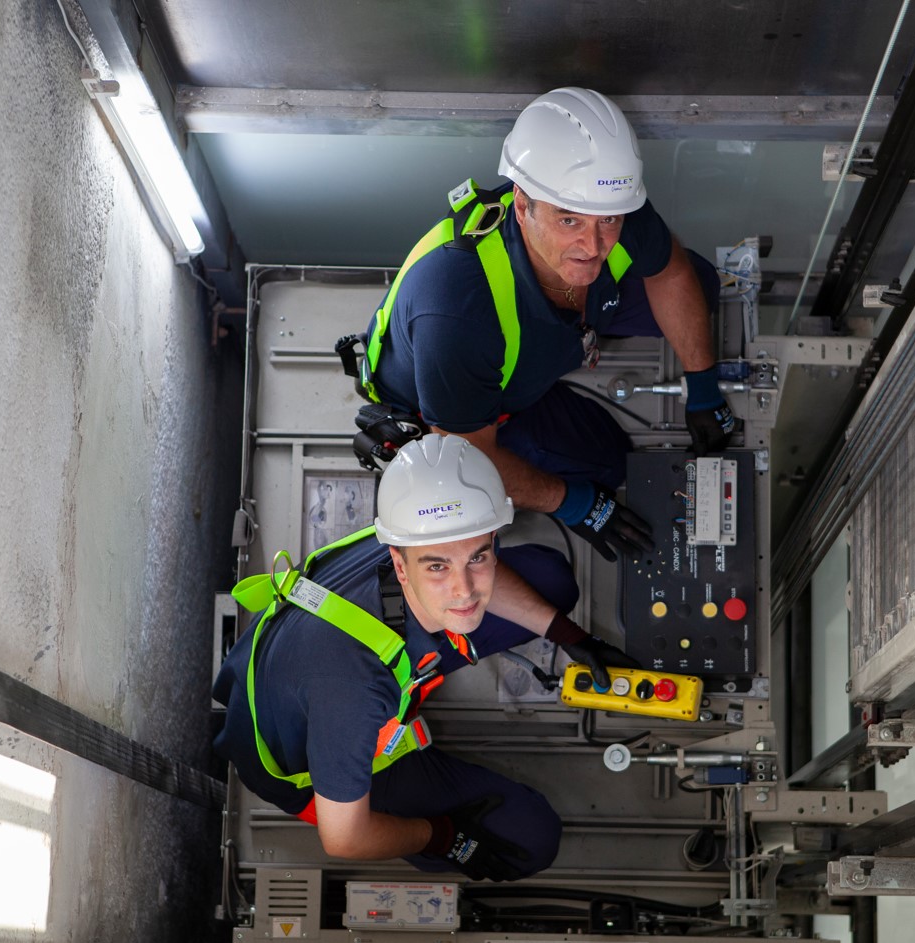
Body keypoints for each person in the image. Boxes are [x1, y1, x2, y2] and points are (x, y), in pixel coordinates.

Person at [212, 435, 636, 881]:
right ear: (400, 564)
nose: (465, 589)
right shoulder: (350, 695)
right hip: (308, 753)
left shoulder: (411, 529)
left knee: (550, 582)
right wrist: (439, 836)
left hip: (315, 671)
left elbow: (458, 563)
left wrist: (570, 636)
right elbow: (345, 839)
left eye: (480, 555)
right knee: (526, 837)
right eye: (437, 567)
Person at [350, 87, 735, 562]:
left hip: (546, 339)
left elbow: (671, 270)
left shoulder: (606, 201)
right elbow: (468, 454)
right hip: (467, 415)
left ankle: (558, 347)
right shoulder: (457, 307)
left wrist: (703, 385)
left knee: (701, 283)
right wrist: (576, 504)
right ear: (522, 204)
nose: (593, 246)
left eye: (608, 221)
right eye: (569, 221)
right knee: (606, 463)